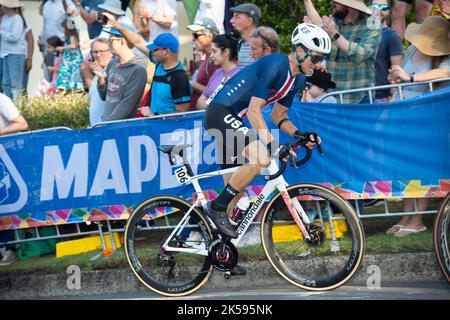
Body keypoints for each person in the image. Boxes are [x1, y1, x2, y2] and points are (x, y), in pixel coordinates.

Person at [202, 23, 328, 262]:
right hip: (220, 113)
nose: (319, 64)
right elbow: (253, 111)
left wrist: (300, 135)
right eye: (317, 57)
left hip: (232, 118)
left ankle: (220, 255)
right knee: (260, 158)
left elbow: (278, 116)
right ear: (300, 51)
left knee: (235, 194)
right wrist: (271, 144)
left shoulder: (299, 79)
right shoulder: (275, 65)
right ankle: (216, 208)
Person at [386, 15, 450, 237]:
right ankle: (406, 216)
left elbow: (444, 73)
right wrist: (396, 77)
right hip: (402, 116)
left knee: (421, 169)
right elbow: (402, 74)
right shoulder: (412, 50)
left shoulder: (445, 58)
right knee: (404, 167)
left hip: (425, 120)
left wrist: (410, 77)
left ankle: (417, 220)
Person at [106, 15, 191, 115]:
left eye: (155, 49)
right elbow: (137, 42)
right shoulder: (159, 64)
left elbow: (181, 114)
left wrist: (153, 115)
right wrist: (117, 26)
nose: (152, 52)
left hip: (168, 129)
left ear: (166, 52)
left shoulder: (179, 78)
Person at [303, 0, 381, 104]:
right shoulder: (334, 22)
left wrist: (334, 34)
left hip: (359, 100)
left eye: (336, 2)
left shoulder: (372, 24)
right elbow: (318, 26)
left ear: (349, 5)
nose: (332, 3)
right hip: (332, 99)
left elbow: (361, 53)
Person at [94, 22, 147, 121]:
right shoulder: (112, 63)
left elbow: (127, 105)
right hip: (106, 125)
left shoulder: (138, 69)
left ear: (122, 41)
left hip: (121, 129)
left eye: (111, 41)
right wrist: (101, 79)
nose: (108, 44)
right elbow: (105, 97)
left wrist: (106, 125)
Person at [0, 92, 28, 266]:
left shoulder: (1, 99)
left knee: (6, 203)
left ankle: (11, 249)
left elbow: (22, 124)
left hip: (4, 158)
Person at [371, 1, 404, 102]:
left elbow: (397, 71)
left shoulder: (392, 36)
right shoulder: (363, 33)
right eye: (374, 7)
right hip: (361, 95)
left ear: (389, 11)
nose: (378, 10)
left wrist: (393, 97)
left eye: (383, 8)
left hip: (382, 97)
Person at [196, 33, 240, 109]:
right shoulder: (217, 73)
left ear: (226, 52)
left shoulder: (238, 77)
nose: (211, 55)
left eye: (214, 51)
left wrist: (208, 106)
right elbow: (200, 101)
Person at [187, 17, 221, 111]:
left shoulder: (216, 59)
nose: (193, 39)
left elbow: (216, 91)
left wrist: (191, 83)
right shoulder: (207, 57)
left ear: (209, 37)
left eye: (196, 35)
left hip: (204, 116)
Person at [0, 0, 25, 101]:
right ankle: (8, 107)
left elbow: (15, 37)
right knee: (5, 82)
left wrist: (1, 33)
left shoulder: (17, 19)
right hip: (4, 53)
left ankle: (17, 106)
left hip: (15, 53)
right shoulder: (5, 18)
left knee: (15, 84)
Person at [88, 38, 113, 125]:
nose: (98, 55)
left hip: (109, 128)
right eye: (95, 52)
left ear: (111, 52)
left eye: (102, 51)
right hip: (96, 129)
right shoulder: (96, 75)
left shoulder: (115, 72)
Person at [55, 18, 84, 91]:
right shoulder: (68, 37)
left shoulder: (72, 36)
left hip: (73, 60)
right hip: (69, 60)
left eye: (63, 28)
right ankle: (66, 86)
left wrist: (62, 47)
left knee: (73, 73)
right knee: (67, 73)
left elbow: (74, 45)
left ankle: (73, 86)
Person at [230, 3, 261, 69]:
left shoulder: (261, 43)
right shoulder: (240, 43)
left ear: (249, 21)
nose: (231, 21)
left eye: (237, 17)